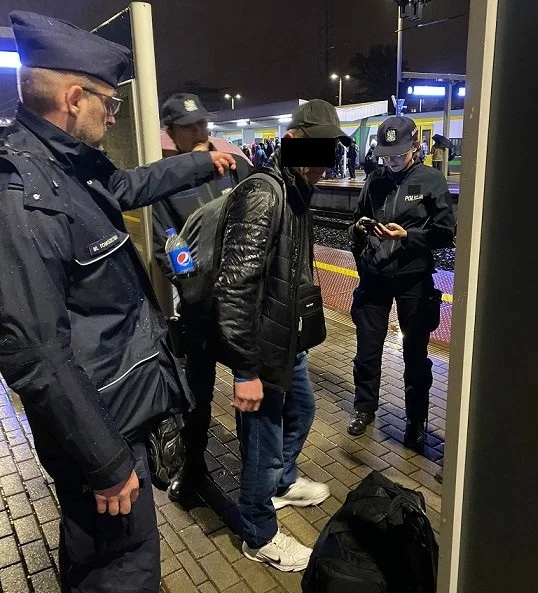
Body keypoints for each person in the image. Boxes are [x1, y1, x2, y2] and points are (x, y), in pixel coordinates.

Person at [0, 11, 235, 593]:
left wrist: (201, 161)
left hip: (107, 409)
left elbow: (126, 187)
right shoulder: (26, 196)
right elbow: (35, 353)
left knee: (105, 556)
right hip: (97, 427)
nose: (113, 115)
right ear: (74, 98)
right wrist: (105, 460)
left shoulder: (65, 163)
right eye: (109, 103)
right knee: (122, 569)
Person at [211, 99, 351, 571]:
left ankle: (280, 483)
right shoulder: (265, 193)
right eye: (318, 149)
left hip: (286, 341)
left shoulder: (296, 191)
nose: (326, 161)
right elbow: (234, 287)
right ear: (292, 142)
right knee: (263, 440)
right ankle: (258, 533)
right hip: (262, 349)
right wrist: (245, 370)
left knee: (303, 409)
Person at [152, 93, 252, 500]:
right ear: (171, 133)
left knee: (250, 384)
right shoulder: (166, 180)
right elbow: (166, 245)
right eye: (187, 126)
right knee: (197, 391)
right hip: (199, 305)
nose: (198, 132)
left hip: (243, 302)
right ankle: (194, 466)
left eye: (202, 124)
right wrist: (193, 288)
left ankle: (256, 472)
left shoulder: (236, 167)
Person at [347, 116, 455, 452]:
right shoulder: (375, 180)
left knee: (415, 356)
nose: (392, 161)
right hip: (375, 277)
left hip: (413, 280)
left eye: (398, 154)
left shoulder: (430, 180)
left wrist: (408, 236)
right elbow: (356, 219)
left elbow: (445, 233)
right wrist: (359, 230)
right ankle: (364, 408)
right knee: (367, 350)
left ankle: (415, 421)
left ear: (415, 147)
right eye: (386, 155)